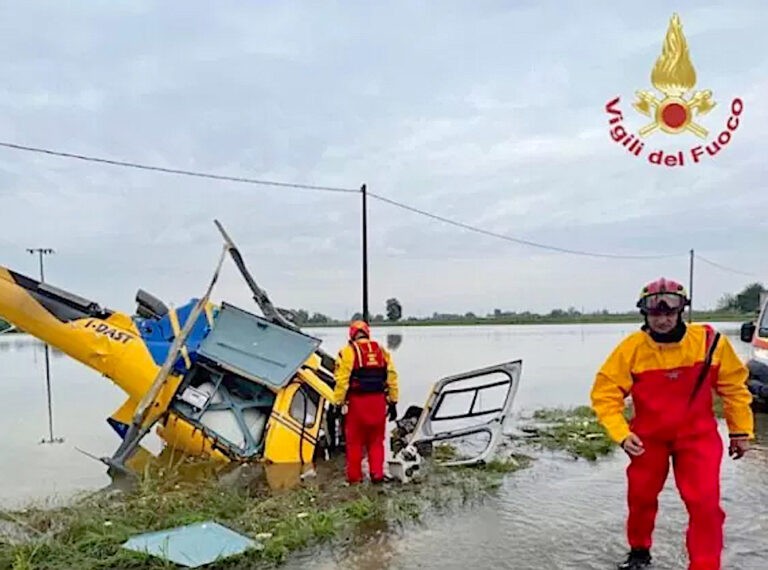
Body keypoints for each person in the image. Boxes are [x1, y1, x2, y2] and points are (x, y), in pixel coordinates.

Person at [590, 277, 754, 570]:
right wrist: (621, 434)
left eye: (669, 313)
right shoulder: (631, 349)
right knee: (640, 498)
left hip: (698, 438)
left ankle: (705, 565)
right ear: (645, 314)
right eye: (656, 314)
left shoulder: (711, 343)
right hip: (647, 439)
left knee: (705, 506)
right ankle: (639, 552)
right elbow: (605, 394)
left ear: (681, 311)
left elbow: (734, 389)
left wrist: (740, 432)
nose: (663, 319)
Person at [333, 319, 399, 484]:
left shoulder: (347, 352)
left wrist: (338, 403)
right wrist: (393, 401)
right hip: (378, 402)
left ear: (352, 335)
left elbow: (342, 381)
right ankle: (377, 474)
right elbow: (391, 376)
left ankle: (354, 479)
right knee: (377, 441)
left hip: (357, 403)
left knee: (354, 443)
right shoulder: (381, 350)